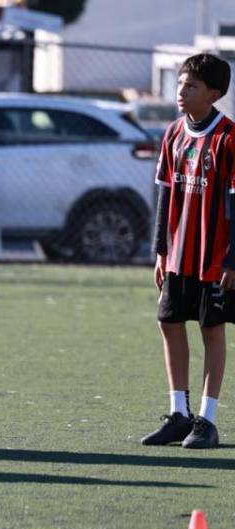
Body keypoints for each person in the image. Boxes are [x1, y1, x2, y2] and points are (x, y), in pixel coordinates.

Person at [140, 53, 235, 449]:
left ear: (214, 93)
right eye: (180, 83)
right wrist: (160, 249)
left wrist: (233, 260)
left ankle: (206, 420)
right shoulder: (174, 133)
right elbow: (165, 192)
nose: (181, 91)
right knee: (168, 322)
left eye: (191, 86)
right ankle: (179, 413)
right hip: (178, 254)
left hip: (215, 258)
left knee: (211, 330)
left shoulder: (229, 138)